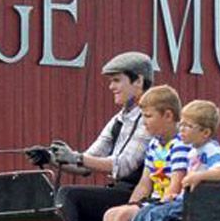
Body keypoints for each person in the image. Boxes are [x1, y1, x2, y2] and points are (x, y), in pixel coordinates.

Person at [95, 99, 220, 221]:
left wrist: (198, 177)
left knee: (155, 215)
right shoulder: (194, 152)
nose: (181, 129)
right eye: (181, 124)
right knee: (146, 211)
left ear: (205, 132)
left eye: (188, 126)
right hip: (184, 200)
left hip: (199, 205)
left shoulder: (211, 149)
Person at [26, 51, 156, 188]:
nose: (111, 87)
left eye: (116, 80)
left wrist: (76, 157)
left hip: (139, 194)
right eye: (111, 81)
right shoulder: (118, 120)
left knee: (70, 194)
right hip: (119, 189)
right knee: (68, 194)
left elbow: (123, 166)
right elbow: (85, 165)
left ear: (138, 81)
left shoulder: (149, 118)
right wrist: (50, 158)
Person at [93, 86, 186, 221]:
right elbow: (145, 184)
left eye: (148, 116)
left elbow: (176, 184)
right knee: (112, 214)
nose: (144, 122)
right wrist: (132, 205)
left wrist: (142, 209)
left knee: (122, 216)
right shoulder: (154, 145)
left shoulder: (182, 145)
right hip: (153, 201)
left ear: (168, 116)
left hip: (169, 205)